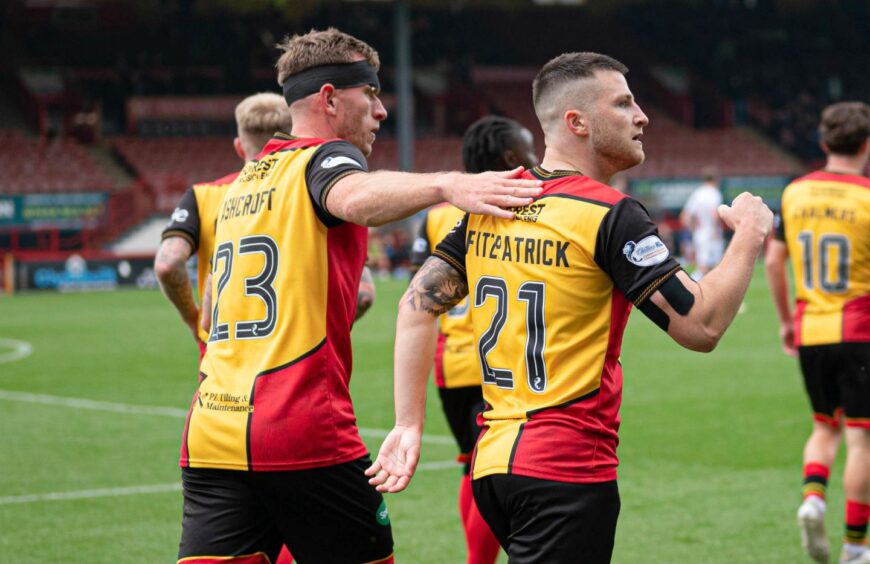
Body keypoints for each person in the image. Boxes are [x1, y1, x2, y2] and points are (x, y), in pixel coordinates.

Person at [367, 51, 773, 564]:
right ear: (576, 122)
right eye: (624, 103)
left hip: (495, 464)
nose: (642, 115)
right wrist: (750, 235)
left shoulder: (498, 203)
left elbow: (417, 304)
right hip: (566, 467)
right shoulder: (610, 213)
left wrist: (409, 423)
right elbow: (701, 325)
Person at [176, 28, 543, 564]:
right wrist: (446, 185)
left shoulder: (242, 184)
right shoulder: (324, 161)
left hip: (211, 430)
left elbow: (211, 305)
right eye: (369, 95)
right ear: (329, 99)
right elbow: (354, 196)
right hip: (299, 425)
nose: (380, 111)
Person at [156, 92, 301, 564]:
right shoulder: (307, 189)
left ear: (240, 147)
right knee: (295, 490)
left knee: (235, 503)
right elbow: (363, 293)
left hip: (222, 374)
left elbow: (167, 264)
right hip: (294, 364)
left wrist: (196, 321)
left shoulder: (206, 196)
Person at [409, 115, 539, 564]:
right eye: (530, 150)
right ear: (509, 158)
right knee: (492, 469)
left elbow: (422, 285)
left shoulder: (437, 215)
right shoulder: (518, 205)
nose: (537, 159)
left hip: (451, 361)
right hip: (497, 362)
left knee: (469, 464)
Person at [764, 101, 870, 564]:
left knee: (823, 426)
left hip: (811, 330)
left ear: (824, 143)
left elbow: (773, 261)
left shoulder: (795, 193)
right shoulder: (867, 197)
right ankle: (854, 546)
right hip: (860, 330)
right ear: (866, 145)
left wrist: (787, 322)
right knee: (861, 438)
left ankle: (813, 498)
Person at [679, 166, 724, 279]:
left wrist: (693, 230)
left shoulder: (698, 193)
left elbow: (684, 217)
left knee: (709, 268)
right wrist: (713, 231)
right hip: (711, 234)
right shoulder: (714, 193)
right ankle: (690, 288)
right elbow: (715, 214)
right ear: (717, 179)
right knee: (708, 268)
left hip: (700, 233)